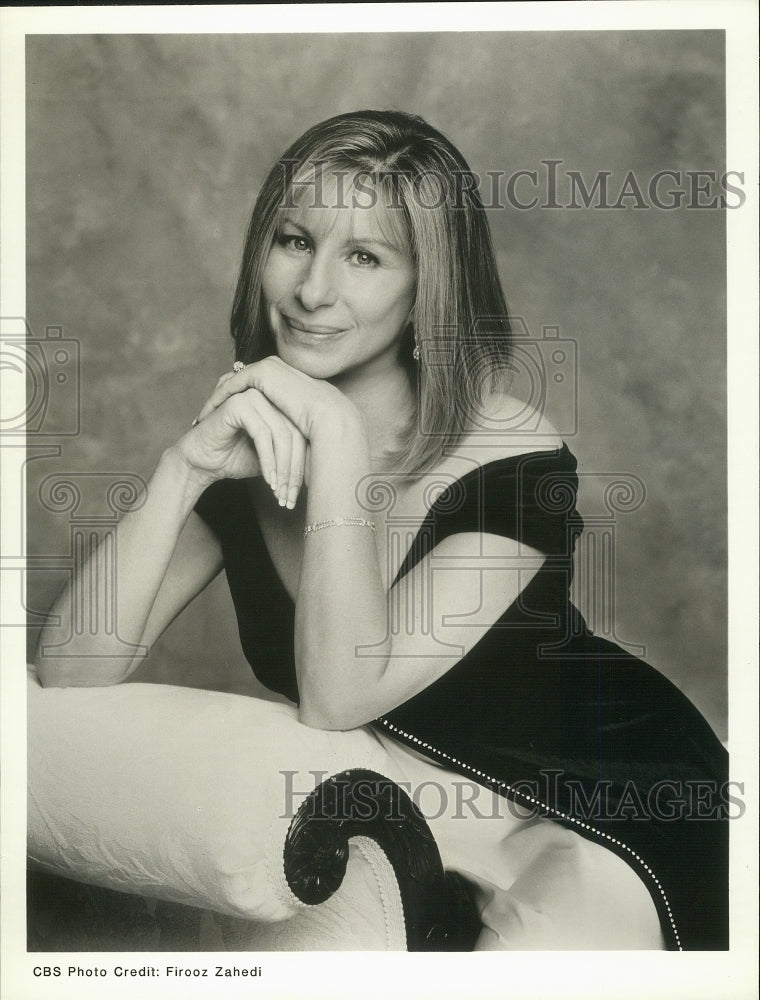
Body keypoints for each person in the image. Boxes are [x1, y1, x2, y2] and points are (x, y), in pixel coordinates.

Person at [35, 110, 728, 951]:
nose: (313, 290)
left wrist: (336, 443)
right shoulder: (251, 446)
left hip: (598, 791)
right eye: (295, 241)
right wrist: (182, 471)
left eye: (364, 257)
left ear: (426, 287)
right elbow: (68, 674)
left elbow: (338, 694)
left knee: (533, 953)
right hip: (409, 797)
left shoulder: (513, 457)